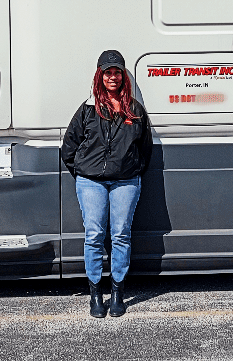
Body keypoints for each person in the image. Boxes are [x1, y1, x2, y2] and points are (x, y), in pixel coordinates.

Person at [61, 49, 152, 318]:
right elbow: (69, 146)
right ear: (99, 75)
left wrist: (132, 171)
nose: (113, 77)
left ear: (124, 76)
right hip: (91, 182)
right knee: (94, 236)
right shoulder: (88, 109)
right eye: (107, 72)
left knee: (121, 235)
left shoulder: (135, 110)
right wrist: (82, 173)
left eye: (117, 72)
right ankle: (95, 296)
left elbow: (145, 150)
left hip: (125, 181)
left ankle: (117, 295)